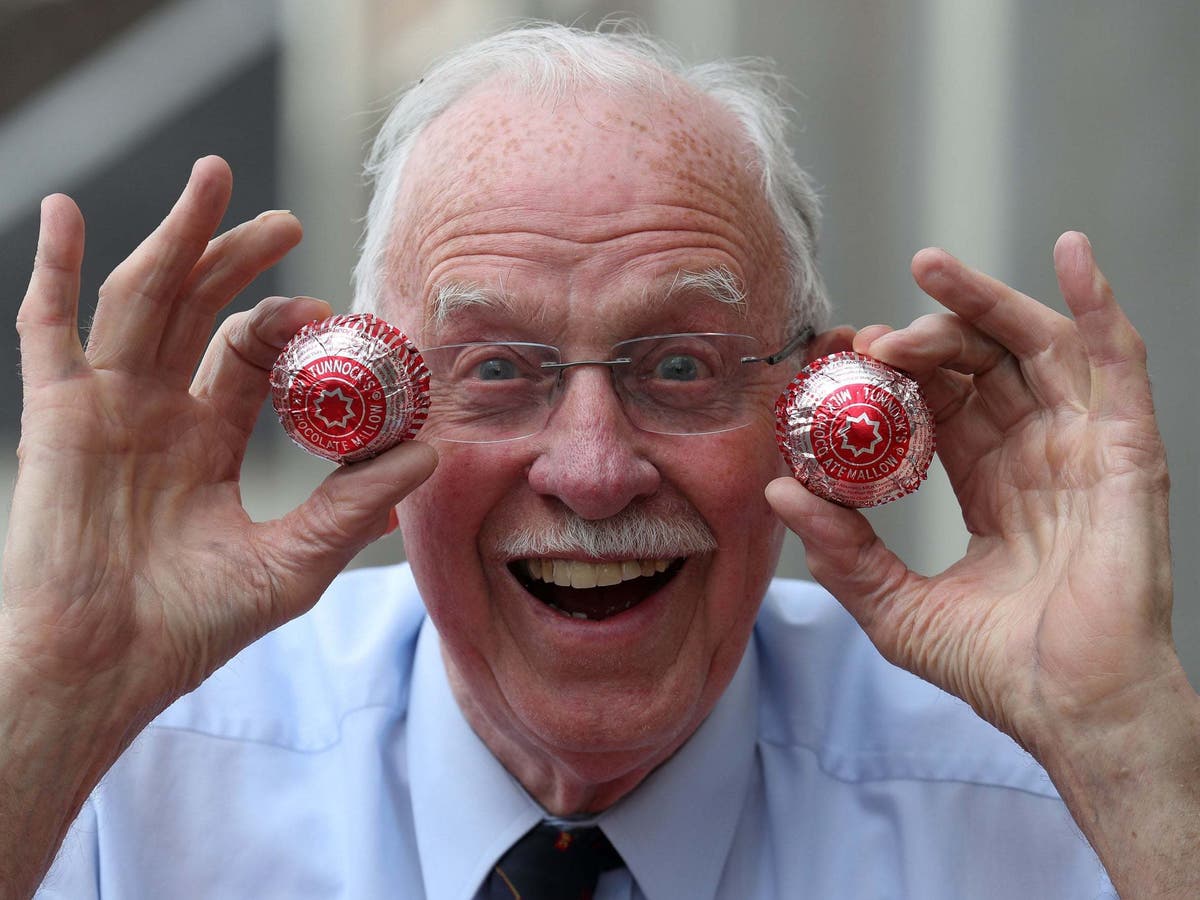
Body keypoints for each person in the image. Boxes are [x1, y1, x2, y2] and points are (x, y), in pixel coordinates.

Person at [3, 22, 1197, 899]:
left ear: (812, 403)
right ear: (373, 407)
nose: (591, 471)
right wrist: (51, 694)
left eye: (679, 368)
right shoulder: (120, 772)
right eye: (497, 370)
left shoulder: (1053, 795)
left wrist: (1125, 746)